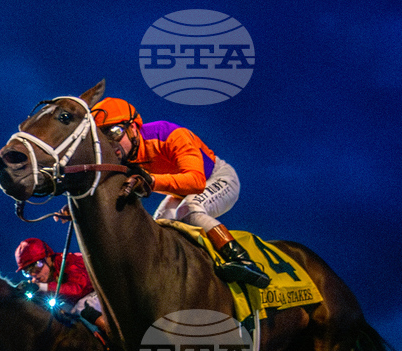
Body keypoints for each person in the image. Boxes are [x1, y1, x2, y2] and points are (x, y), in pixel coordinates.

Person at [89, 96, 270, 289]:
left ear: (133, 128)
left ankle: (242, 260)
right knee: (158, 225)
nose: (111, 144)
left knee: (190, 209)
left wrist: (152, 181)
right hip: (181, 192)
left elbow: (196, 182)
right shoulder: (123, 157)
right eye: (102, 138)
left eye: (114, 132)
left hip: (215, 178)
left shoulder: (170, 134)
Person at [14, 237, 107, 329]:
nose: (34, 274)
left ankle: (115, 334)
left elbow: (78, 290)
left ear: (48, 258)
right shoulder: (40, 281)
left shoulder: (71, 262)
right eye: (28, 272)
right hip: (79, 307)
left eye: (36, 266)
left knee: (83, 305)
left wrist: (43, 287)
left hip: (103, 293)